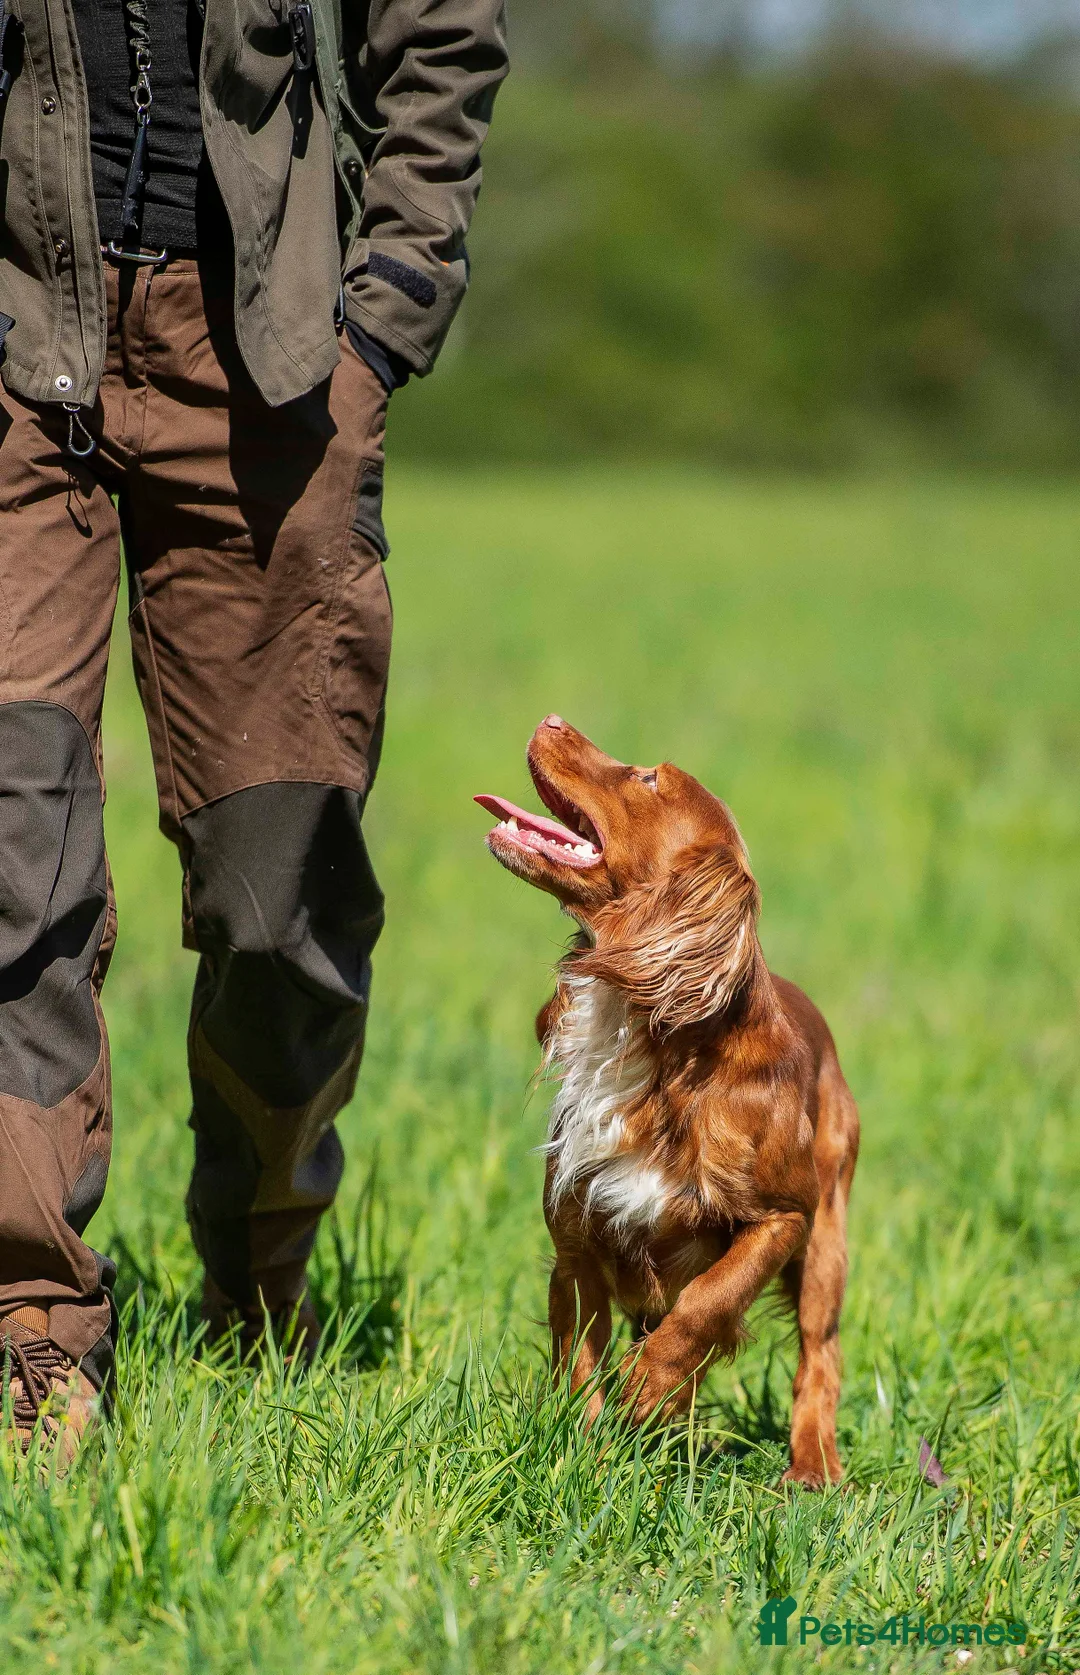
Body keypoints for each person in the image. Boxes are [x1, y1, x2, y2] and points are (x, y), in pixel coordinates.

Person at [0, 0, 507, 1460]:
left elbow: (443, 34)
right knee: (12, 853)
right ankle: (35, 1332)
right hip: (23, 345)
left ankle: (260, 1269)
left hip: (270, 364)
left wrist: (388, 311)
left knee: (283, 892)